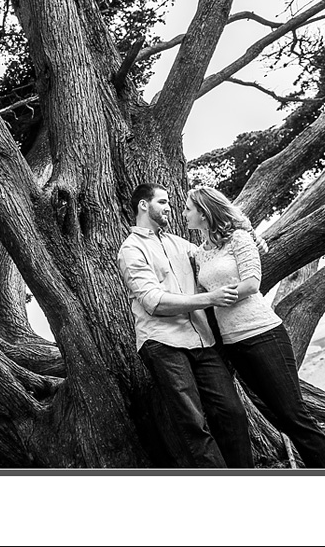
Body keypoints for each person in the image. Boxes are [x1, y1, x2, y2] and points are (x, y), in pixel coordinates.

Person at [184, 185, 325, 468]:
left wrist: (218, 297)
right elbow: (202, 292)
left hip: (263, 335)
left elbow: (251, 283)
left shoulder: (239, 239)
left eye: (188, 208)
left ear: (204, 212)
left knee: (293, 415)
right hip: (233, 344)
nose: (184, 213)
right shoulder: (199, 254)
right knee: (279, 414)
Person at [117, 183, 253, 468]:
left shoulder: (180, 244)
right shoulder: (131, 250)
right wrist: (209, 298)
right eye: (163, 202)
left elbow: (217, 253)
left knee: (232, 413)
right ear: (144, 205)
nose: (169, 208)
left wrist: (248, 238)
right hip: (163, 344)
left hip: (203, 340)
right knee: (193, 424)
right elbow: (154, 302)